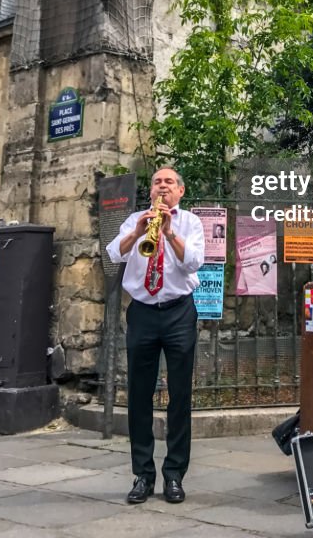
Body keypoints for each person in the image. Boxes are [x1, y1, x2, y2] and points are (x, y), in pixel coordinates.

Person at [106, 167, 205, 506]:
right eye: (156, 182)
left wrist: (169, 233)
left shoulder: (190, 222)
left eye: (168, 182)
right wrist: (138, 232)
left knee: (180, 396)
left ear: (181, 190)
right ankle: (142, 475)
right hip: (143, 312)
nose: (161, 186)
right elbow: (112, 253)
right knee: (139, 395)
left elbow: (194, 263)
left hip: (179, 312)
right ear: (150, 190)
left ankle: (175, 474)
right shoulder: (135, 218)